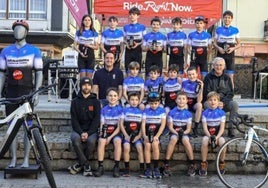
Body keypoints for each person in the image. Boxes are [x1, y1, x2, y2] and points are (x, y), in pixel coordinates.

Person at [0, 20, 43, 168]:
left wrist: (36, 92)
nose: (18, 31)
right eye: (15, 29)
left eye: (21, 29)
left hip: (27, 93)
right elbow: (2, 74)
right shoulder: (5, 51)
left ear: (26, 32)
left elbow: (39, 73)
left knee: (27, 127)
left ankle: (25, 159)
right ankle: (13, 159)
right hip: (11, 93)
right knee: (11, 127)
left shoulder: (34, 51)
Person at [68, 77, 101, 176]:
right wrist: (81, 132)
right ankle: (86, 165)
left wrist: (88, 133)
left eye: (88, 85)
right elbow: (74, 120)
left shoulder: (96, 101)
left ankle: (79, 164)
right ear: (80, 86)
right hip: (78, 130)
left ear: (91, 87)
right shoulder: (74, 102)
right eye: (84, 85)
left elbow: (96, 120)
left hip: (91, 131)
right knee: (75, 140)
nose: (86, 87)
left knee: (91, 141)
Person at [162, 91, 197, 177]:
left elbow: (188, 129)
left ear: (186, 101)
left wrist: (183, 133)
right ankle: (166, 163)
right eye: (179, 99)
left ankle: (192, 164)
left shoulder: (188, 114)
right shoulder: (171, 112)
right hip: (174, 132)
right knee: (173, 139)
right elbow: (170, 127)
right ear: (176, 100)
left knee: (185, 140)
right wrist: (177, 133)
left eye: (183, 99)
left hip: (184, 132)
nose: (181, 101)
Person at [203, 57, 239, 138]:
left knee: (234, 104)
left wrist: (223, 102)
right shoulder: (208, 77)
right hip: (211, 102)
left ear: (224, 66)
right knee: (205, 104)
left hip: (223, 103)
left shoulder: (227, 77)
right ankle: (211, 127)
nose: (218, 67)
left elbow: (230, 93)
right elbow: (206, 92)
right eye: (216, 65)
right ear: (213, 66)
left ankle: (231, 128)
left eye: (220, 65)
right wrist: (215, 102)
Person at [94, 88, 123, 178]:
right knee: (101, 141)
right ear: (107, 97)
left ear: (118, 97)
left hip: (116, 132)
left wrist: (110, 138)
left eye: (114, 96)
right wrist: (104, 134)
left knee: (117, 141)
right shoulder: (103, 109)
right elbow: (102, 124)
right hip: (106, 130)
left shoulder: (120, 109)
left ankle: (116, 167)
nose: (112, 98)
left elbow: (119, 127)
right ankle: (100, 166)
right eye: (110, 95)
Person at [199, 91, 226, 176]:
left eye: (215, 100)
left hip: (218, 136)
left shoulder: (221, 113)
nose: (213, 102)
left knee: (223, 142)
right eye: (210, 100)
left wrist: (217, 137)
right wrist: (210, 137)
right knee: (204, 140)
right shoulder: (205, 113)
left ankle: (221, 163)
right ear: (207, 102)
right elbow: (205, 128)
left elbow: (222, 128)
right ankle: (204, 163)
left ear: (218, 102)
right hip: (209, 135)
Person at [214, 10, 241, 89]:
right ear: (223, 19)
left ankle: (231, 95)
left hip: (230, 55)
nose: (227, 19)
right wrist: (218, 48)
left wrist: (233, 48)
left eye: (229, 18)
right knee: (217, 75)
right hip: (220, 54)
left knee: (230, 77)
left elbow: (239, 44)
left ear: (231, 19)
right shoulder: (218, 29)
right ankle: (216, 92)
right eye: (225, 18)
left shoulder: (235, 30)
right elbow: (214, 43)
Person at [141, 92, 166, 179]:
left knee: (155, 144)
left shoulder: (162, 111)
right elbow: (143, 124)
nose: (154, 105)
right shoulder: (145, 111)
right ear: (148, 103)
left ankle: (156, 167)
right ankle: (148, 168)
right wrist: (144, 135)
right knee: (147, 145)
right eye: (151, 103)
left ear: (159, 102)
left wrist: (157, 136)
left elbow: (163, 125)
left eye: (156, 103)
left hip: (157, 133)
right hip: (147, 133)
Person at [120, 92, 144, 177]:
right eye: (132, 100)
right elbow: (121, 124)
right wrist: (126, 135)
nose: (134, 102)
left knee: (140, 148)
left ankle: (142, 169)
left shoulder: (141, 112)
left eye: (136, 100)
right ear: (129, 101)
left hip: (137, 136)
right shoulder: (125, 110)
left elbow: (142, 126)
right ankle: (127, 169)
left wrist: (139, 136)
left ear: (139, 101)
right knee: (126, 148)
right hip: (127, 135)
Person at [73, 14, 99, 79]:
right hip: (81, 56)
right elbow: (74, 45)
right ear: (83, 21)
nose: (87, 22)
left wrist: (89, 45)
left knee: (89, 79)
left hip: (90, 56)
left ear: (91, 22)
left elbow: (96, 47)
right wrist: (80, 52)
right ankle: (81, 89)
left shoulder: (94, 33)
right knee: (82, 78)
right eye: (85, 20)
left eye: (89, 20)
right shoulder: (79, 32)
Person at [181, 66, 203, 137]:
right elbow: (181, 96)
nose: (191, 76)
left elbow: (199, 100)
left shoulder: (199, 83)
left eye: (193, 74)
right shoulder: (184, 83)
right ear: (187, 75)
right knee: (182, 105)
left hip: (194, 104)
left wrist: (201, 88)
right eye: (189, 75)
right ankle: (184, 128)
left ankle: (195, 128)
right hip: (186, 103)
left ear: (197, 74)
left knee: (199, 105)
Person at [123, 7, 146, 72]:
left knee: (137, 68)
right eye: (130, 14)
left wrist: (138, 44)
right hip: (128, 50)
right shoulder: (125, 27)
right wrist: (126, 44)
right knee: (128, 68)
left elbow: (145, 39)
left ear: (138, 16)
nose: (132, 16)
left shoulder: (142, 27)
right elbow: (123, 39)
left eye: (134, 14)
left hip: (138, 50)